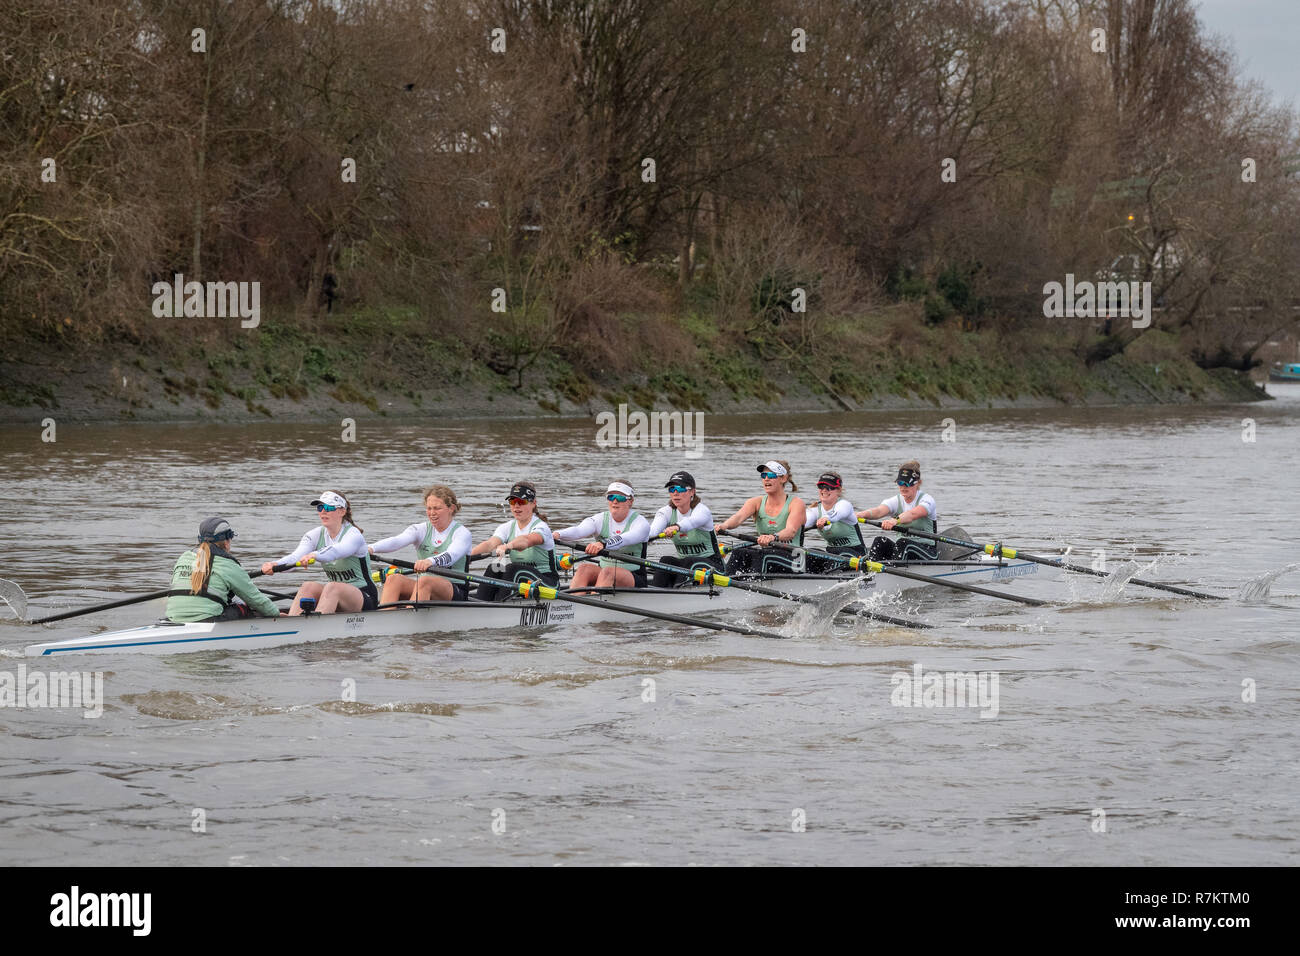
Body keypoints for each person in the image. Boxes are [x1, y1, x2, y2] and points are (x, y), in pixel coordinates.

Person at [261, 491, 378, 614]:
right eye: (320, 507)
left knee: (333, 587)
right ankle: (292, 622)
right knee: (308, 586)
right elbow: (295, 557)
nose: (323, 511)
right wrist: (274, 564)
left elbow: (337, 551)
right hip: (336, 594)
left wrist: (315, 555)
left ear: (342, 511)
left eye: (329, 507)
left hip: (364, 596)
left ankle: (315, 626)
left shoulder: (353, 534)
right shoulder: (315, 534)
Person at [369, 485, 473, 604]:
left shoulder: (462, 533)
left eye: (437, 508)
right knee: (394, 579)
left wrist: (430, 561)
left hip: (455, 589)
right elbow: (396, 541)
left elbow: (451, 556)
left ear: (451, 508)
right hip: (424, 585)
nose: (432, 513)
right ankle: (386, 617)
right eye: (429, 508)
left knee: (425, 581)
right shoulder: (420, 529)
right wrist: (371, 548)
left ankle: (410, 618)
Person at [166, 517, 280, 623]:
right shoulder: (229, 565)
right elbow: (256, 600)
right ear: (226, 541)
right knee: (243, 607)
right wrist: (277, 615)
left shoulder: (184, 557)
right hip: (206, 619)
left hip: (173, 617)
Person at [554, 480, 652, 590]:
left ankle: (592, 603)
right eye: (611, 497)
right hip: (604, 572)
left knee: (608, 572)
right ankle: (575, 603)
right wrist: (557, 534)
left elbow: (625, 539)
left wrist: (603, 543)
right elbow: (578, 531)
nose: (615, 501)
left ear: (631, 501)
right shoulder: (600, 519)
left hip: (634, 575)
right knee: (584, 568)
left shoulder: (641, 523)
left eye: (620, 497)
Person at [714, 460, 807, 575]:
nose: (766, 479)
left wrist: (773, 537)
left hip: (795, 558)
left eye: (771, 475)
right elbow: (738, 518)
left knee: (763, 555)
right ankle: (726, 583)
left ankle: (752, 586)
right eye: (763, 475)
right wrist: (723, 526)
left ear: (783, 478)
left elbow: (791, 531)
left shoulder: (796, 503)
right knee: (739, 552)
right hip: (769, 555)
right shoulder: (755, 502)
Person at [469, 481, 558, 601]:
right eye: (512, 502)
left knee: (512, 568)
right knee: (495, 567)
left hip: (548, 583)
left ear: (533, 503)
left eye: (521, 502)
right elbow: (490, 544)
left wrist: (508, 546)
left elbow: (526, 540)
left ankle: (499, 610)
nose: (516, 506)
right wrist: (466, 556)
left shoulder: (541, 527)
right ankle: (480, 605)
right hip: (522, 581)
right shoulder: (507, 527)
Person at [647, 470, 724, 587]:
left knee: (690, 561)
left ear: (692, 491)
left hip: (714, 567)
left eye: (681, 488)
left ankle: (679, 595)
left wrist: (677, 527)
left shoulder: (702, 510)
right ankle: (655, 593)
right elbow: (651, 532)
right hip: (686, 566)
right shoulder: (665, 512)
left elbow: (692, 522)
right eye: (672, 489)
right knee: (666, 560)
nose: (675, 493)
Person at [855, 460, 940, 561]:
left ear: (918, 483)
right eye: (900, 483)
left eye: (907, 484)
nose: (903, 487)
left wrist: (895, 520)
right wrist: (860, 514)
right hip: (902, 549)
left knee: (903, 543)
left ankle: (892, 572)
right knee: (880, 541)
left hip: (927, 550)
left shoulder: (927, 500)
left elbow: (912, 514)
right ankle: (872, 572)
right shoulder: (896, 500)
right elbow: (878, 511)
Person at [803, 471, 866, 572]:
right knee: (809, 554)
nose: (824, 490)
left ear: (839, 490)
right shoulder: (815, 510)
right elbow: (803, 522)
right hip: (832, 553)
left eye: (829, 487)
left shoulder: (845, 505)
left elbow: (838, 513)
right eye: (821, 487)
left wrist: (827, 518)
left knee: (836, 556)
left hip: (856, 555)